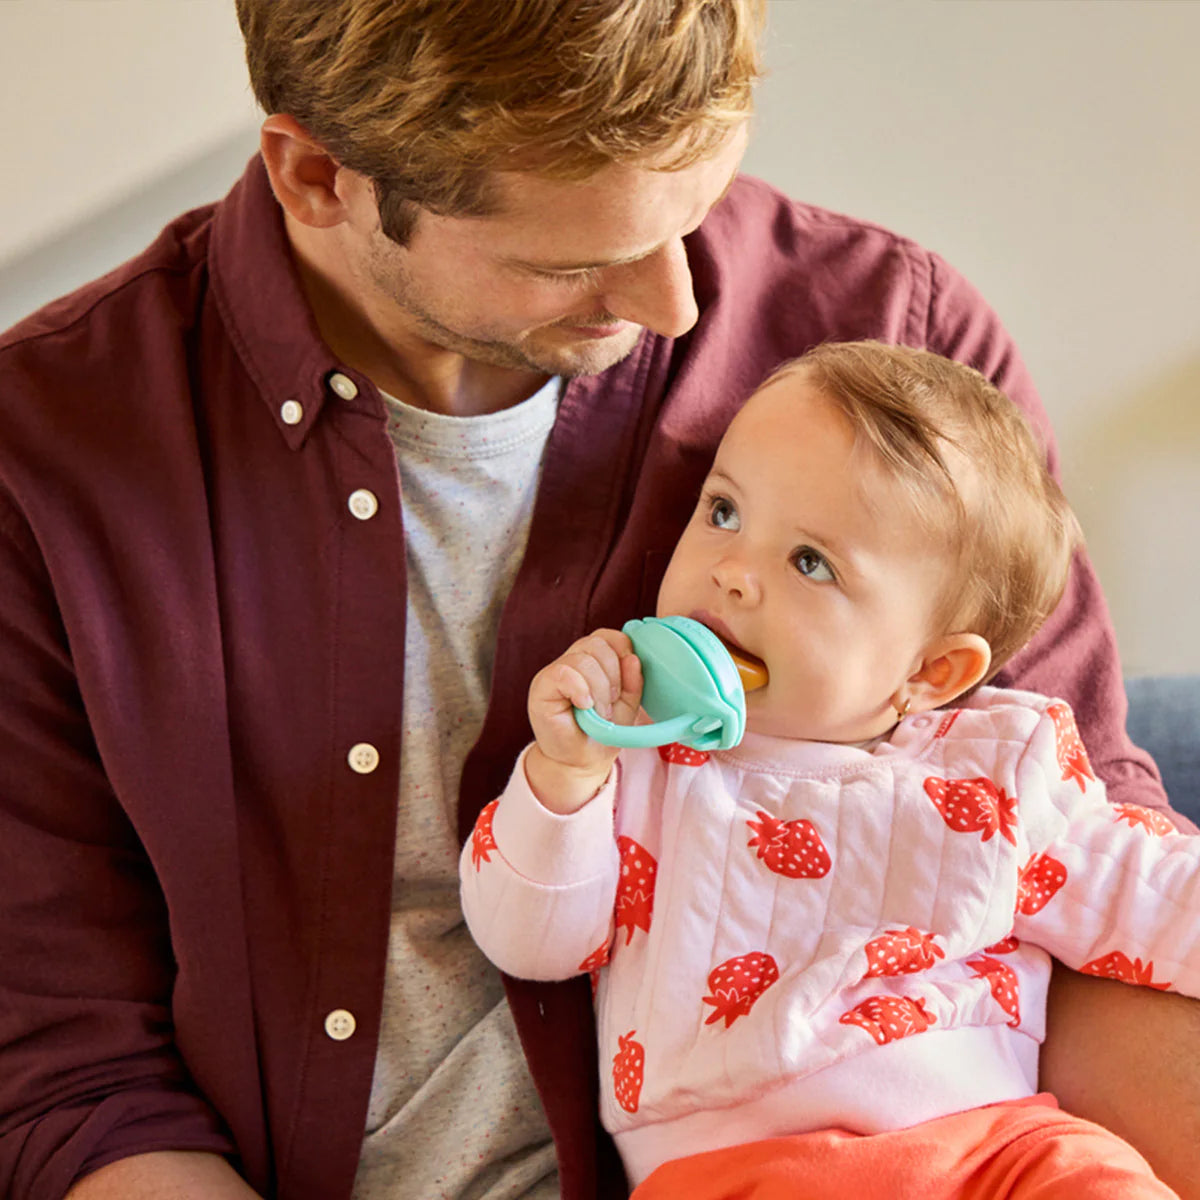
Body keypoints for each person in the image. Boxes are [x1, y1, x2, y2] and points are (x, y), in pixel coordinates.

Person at [0, 1, 1193, 1198]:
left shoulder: (893, 346)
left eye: (699, 205)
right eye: (571, 262)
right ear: (318, 175)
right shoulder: (43, 460)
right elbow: (70, 1072)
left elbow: (1093, 888)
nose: (676, 303)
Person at [461, 341, 1197, 1198]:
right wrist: (562, 773)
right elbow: (528, 941)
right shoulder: (632, 755)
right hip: (734, 1171)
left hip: (995, 1148)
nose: (732, 574)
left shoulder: (998, 775)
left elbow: (1150, 894)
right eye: (725, 512)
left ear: (931, 675)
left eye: (811, 563)